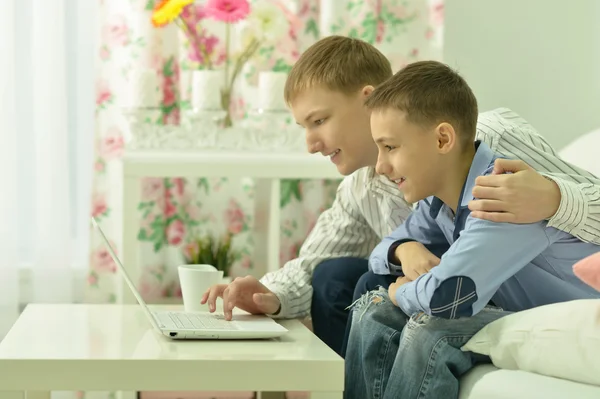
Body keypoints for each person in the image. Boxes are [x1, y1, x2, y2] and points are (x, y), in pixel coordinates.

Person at [201, 36, 600, 357]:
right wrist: (267, 296)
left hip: (484, 289)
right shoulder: (361, 189)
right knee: (335, 276)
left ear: (368, 99)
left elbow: (585, 204)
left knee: (371, 288)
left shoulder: (489, 140)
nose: (310, 143)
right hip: (441, 291)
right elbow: (313, 263)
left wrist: (554, 198)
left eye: (319, 121)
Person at [344, 60, 600, 399]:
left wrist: (398, 292)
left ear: (443, 139)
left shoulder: (502, 196)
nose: (380, 166)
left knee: (424, 326)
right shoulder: (438, 201)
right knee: (371, 309)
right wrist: (404, 248)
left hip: (571, 319)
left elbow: (447, 296)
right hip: (516, 311)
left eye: (390, 147)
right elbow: (382, 251)